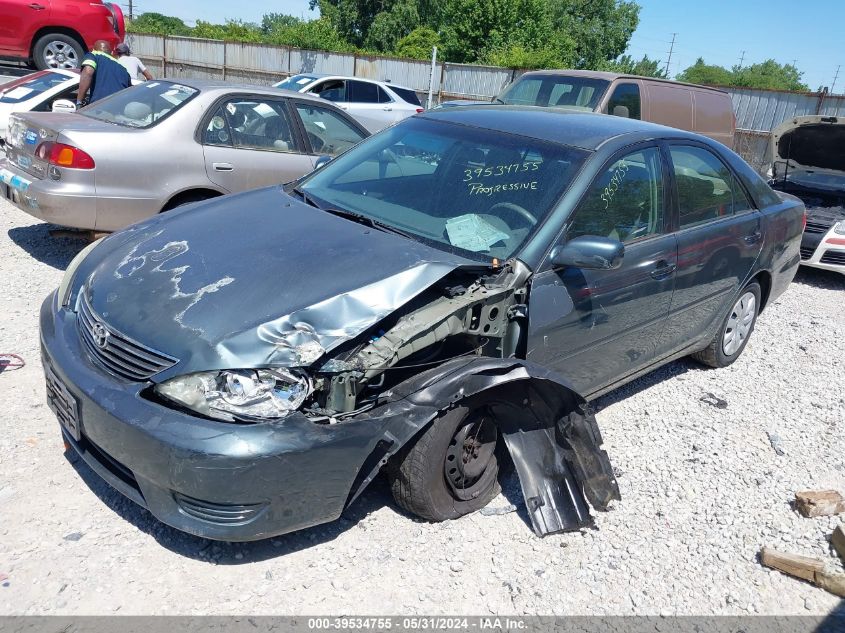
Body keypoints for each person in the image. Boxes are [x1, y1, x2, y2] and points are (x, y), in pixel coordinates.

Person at [76, 40, 131, 108]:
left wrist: (79, 102)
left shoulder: (93, 55)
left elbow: (88, 71)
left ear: (93, 49)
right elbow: (129, 92)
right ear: (111, 52)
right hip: (119, 111)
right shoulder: (124, 69)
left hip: (99, 109)